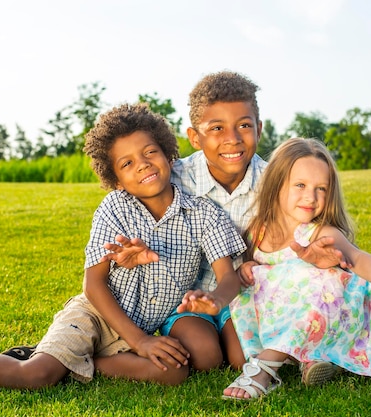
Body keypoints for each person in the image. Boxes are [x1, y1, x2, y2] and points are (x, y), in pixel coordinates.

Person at [0, 103, 248, 389]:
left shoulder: (202, 213)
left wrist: (213, 299)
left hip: (144, 328)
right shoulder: (114, 209)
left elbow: (227, 278)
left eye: (149, 152)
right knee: (36, 377)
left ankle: (67, 362)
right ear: (114, 176)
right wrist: (141, 341)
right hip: (99, 315)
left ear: (167, 152)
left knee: (174, 373)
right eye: (126, 163)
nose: (142, 164)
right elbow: (93, 287)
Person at [101, 71, 347, 384]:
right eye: (217, 128)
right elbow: (127, 198)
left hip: (247, 295)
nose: (232, 138)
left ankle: (316, 349)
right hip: (185, 298)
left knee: (241, 358)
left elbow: (312, 224)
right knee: (204, 356)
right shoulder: (170, 178)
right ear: (194, 137)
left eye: (244, 125)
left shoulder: (276, 182)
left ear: (259, 129)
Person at [178, 137, 371, 400]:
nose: (311, 196)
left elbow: (358, 258)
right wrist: (244, 270)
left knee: (327, 278)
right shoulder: (258, 232)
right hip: (287, 320)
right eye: (300, 185)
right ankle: (317, 356)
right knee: (259, 277)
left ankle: (265, 369)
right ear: (276, 186)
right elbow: (251, 277)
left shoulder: (321, 232)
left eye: (321, 188)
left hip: (338, 318)